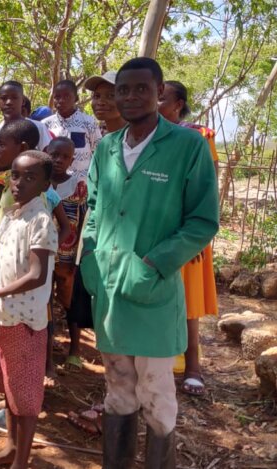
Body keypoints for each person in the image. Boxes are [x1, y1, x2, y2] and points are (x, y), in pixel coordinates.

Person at [82, 57, 219, 468]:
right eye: (122, 90)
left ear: (159, 92)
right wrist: (90, 256)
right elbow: (94, 208)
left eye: (141, 88)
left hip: (153, 290)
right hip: (108, 289)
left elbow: (202, 220)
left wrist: (155, 264)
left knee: (157, 395)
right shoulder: (106, 148)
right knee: (118, 388)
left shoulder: (187, 146)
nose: (129, 97)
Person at [0, 150, 58, 469]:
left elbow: (37, 275)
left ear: (45, 184)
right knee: (9, 389)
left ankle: (21, 460)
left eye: (30, 177)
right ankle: (10, 448)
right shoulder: (10, 214)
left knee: (26, 400)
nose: (19, 183)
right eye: (16, 176)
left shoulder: (41, 221)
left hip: (23, 321)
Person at [158, 79, 220, 397]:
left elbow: (207, 188)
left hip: (187, 232)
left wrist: (192, 236)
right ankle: (161, 361)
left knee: (188, 301)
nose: (156, 103)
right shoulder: (148, 137)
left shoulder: (199, 137)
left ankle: (193, 366)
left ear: (178, 104)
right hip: (156, 229)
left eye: (162, 98)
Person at [45, 137, 89, 371]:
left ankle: (75, 350)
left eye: (65, 157)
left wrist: (77, 258)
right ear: (47, 153)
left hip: (68, 256)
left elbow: (82, 222)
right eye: (54, 155)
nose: (59, 160)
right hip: (43, 255)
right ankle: (47, 352)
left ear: (72, 160)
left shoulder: (78, 186)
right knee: (45, 303)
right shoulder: (39, 182)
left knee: (70, 301)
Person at [42, 80, 102, 182]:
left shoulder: (88, 122)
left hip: (82, 183)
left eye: (66, 96)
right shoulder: (45, 125)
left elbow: (99, 152)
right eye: (57, 97)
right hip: (53, 184)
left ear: (76, 98)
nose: (61, 100)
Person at [0, 81, 52, 150]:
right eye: (4, 98)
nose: (9, 102)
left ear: (23, 101)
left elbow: (49, 153)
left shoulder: (39, 127)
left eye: (14, 98)